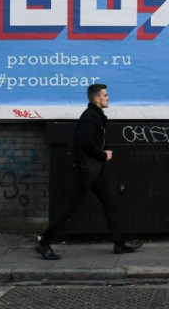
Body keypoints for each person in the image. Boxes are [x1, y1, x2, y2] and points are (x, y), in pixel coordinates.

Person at [35, 83, 142, 260]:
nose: (108, 98)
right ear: (96, 98)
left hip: (94, 170)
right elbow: (84, 142)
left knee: (111, 202)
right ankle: (44, 243)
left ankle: (119, 243)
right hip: (87, 171)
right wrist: (103, 154)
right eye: (105, 95)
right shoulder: (90, 117)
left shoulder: (96, 115)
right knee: (70, 208)